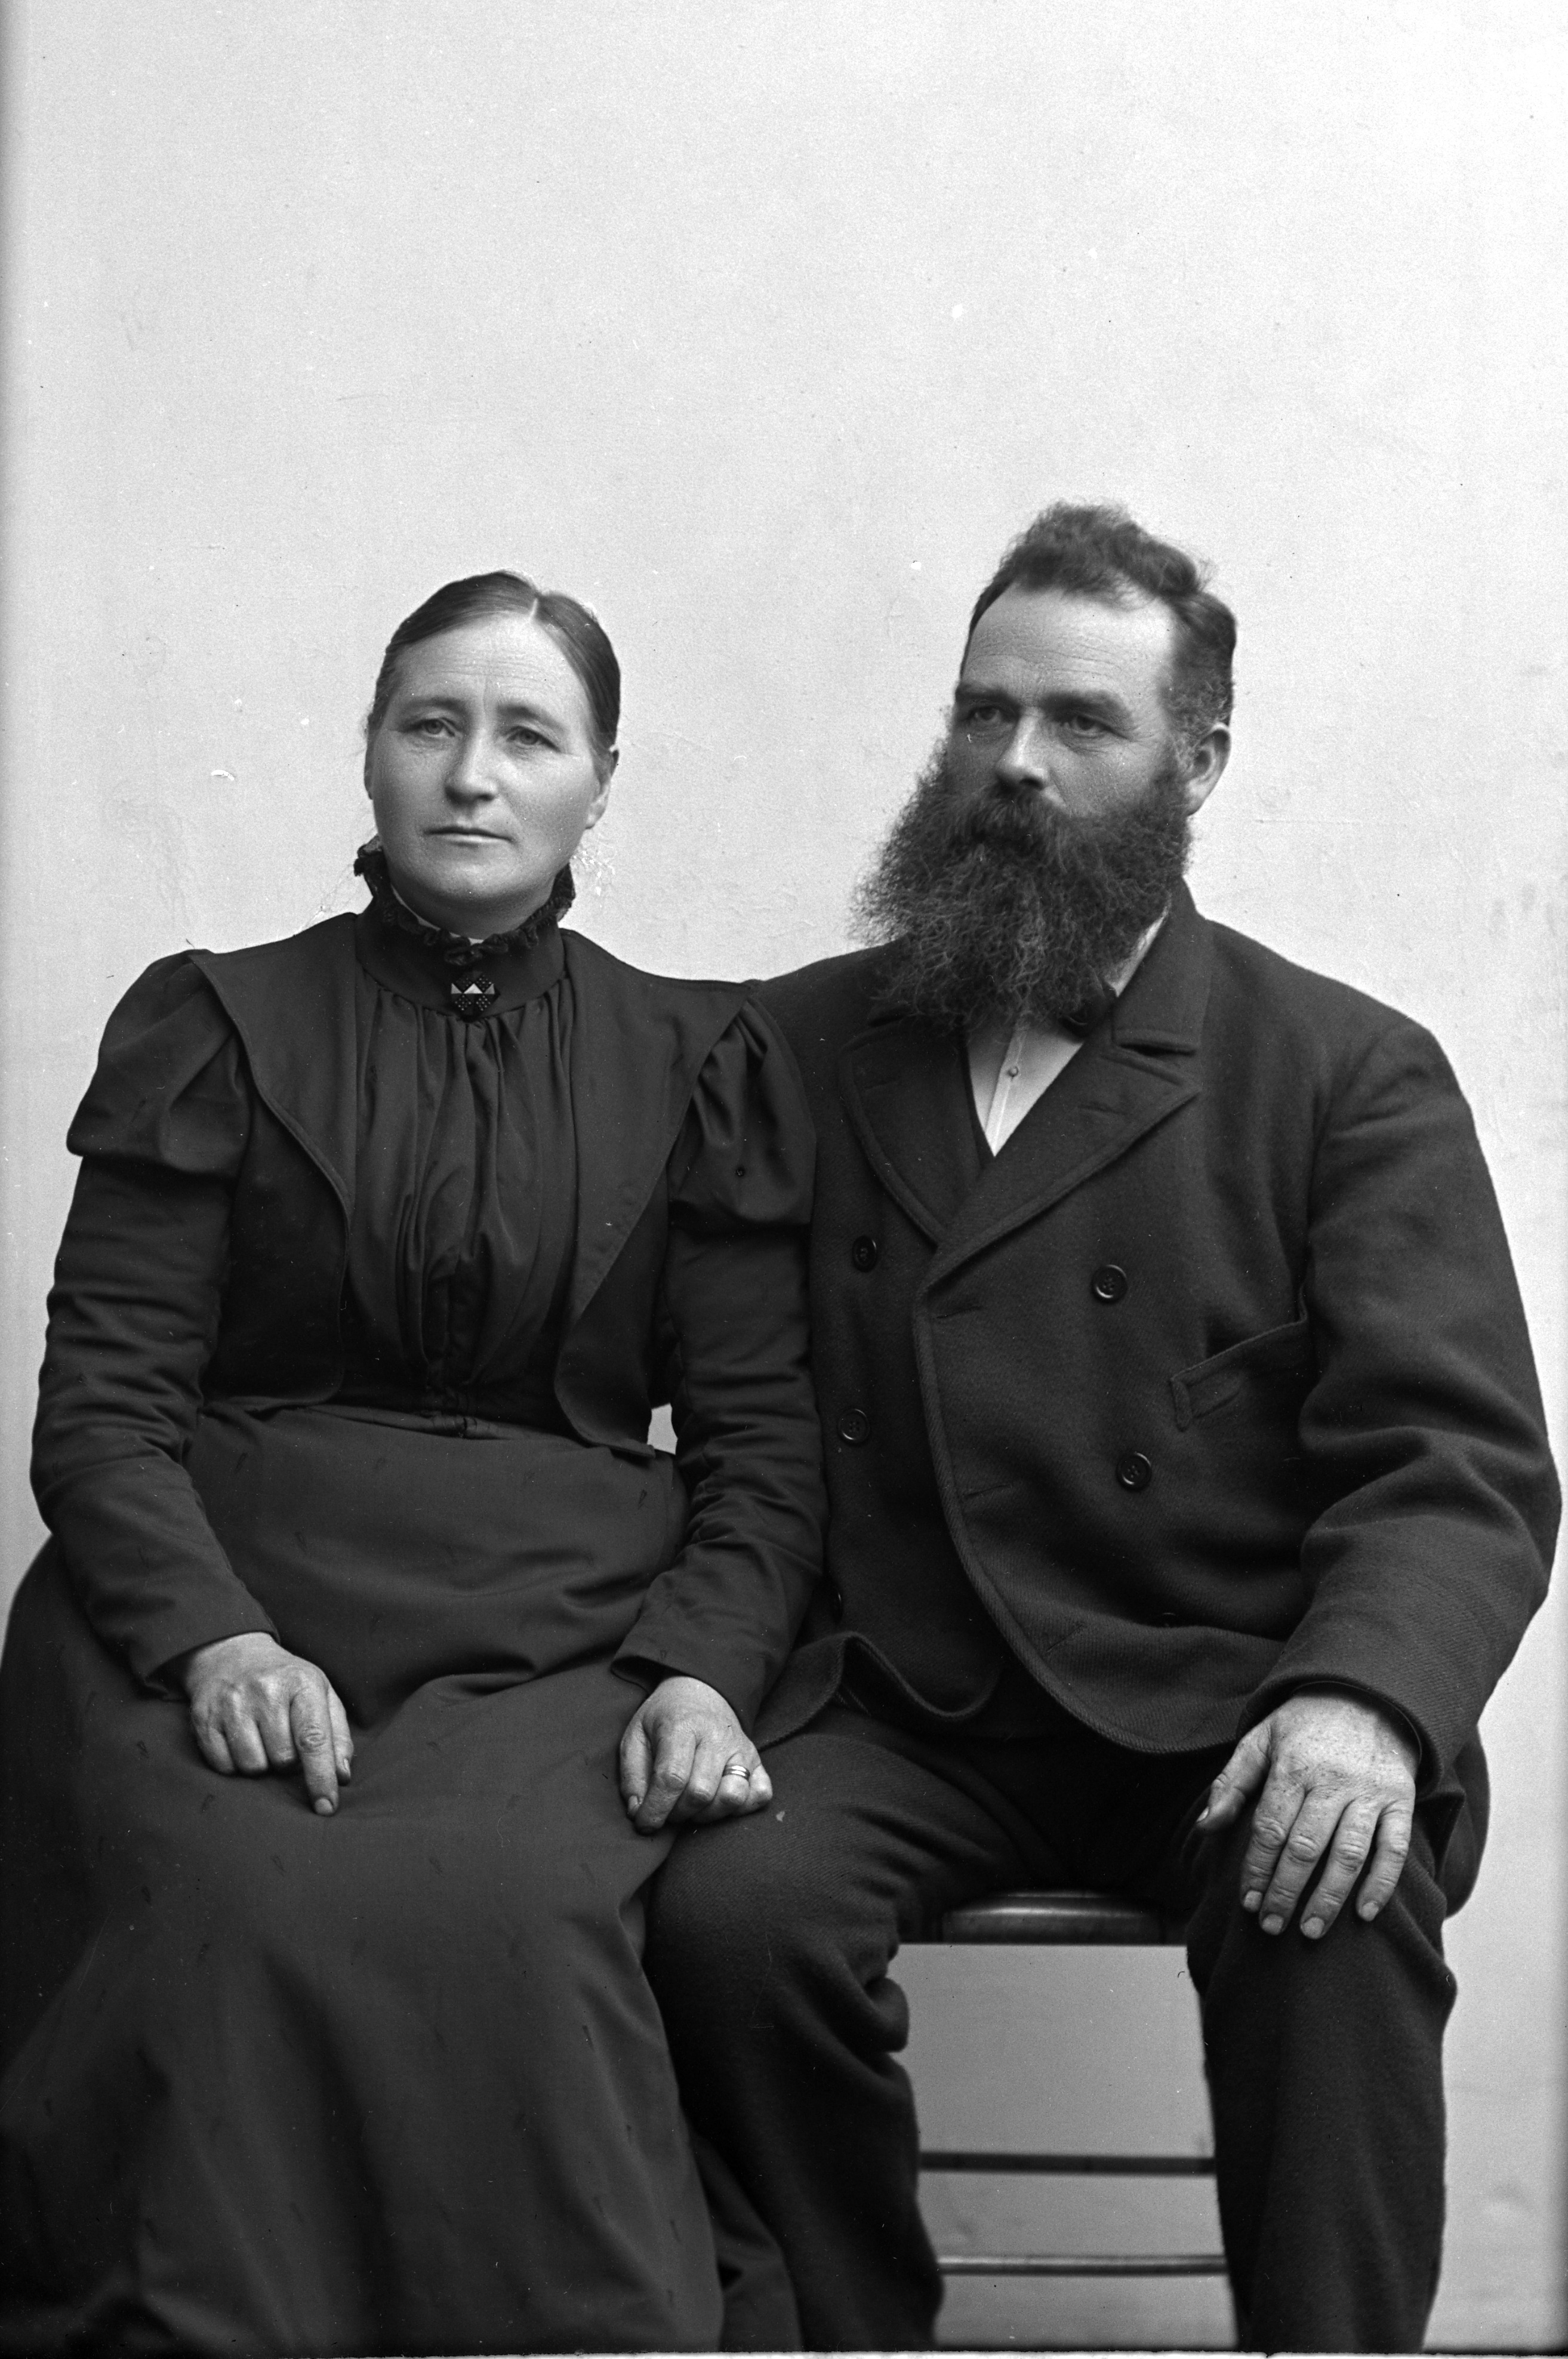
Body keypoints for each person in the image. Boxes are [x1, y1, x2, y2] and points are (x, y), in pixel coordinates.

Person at [646, 503, 1560, 2353]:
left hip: (1216, 1704)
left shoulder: (1341, 1073)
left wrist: (1362, 1705)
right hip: (902, 1701)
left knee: (1336, 1889)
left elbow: (1453, 1466)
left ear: (1195, 761)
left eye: (1077, 720)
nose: (1012, 762)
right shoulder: (800, 1046)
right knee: (722, 1914)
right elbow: (730, 1412)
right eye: (982, 711)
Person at [0, 571, 824, 2356]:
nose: (471, 773)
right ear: (370, 752)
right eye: (430, 724)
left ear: (600, 782)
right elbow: (106, 1410)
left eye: (529, 735)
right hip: (216, 1610)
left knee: (513, 1917)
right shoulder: (216, 1025)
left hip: (557, 1645)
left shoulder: (700, 1063)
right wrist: (216, 1641)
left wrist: (703, 1671)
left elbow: (762, 1448)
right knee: (232, 1903)